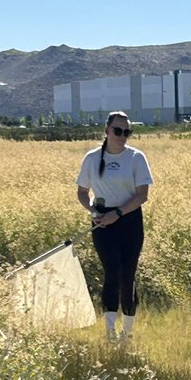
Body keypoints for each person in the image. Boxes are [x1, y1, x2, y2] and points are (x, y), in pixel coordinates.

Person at [76, 112, 153, 341]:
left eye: (126, 132)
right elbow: (82, 192)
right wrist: (93, 211)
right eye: (117, 131)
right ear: (107, 131)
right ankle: (109, 331)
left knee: (128, 274)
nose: (122, 136)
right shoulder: (92, 158)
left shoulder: (136, 158)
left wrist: (118, 213)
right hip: (102, 221)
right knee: (112, 272)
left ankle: (127, 332)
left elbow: (142, 195)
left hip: (129, 219)